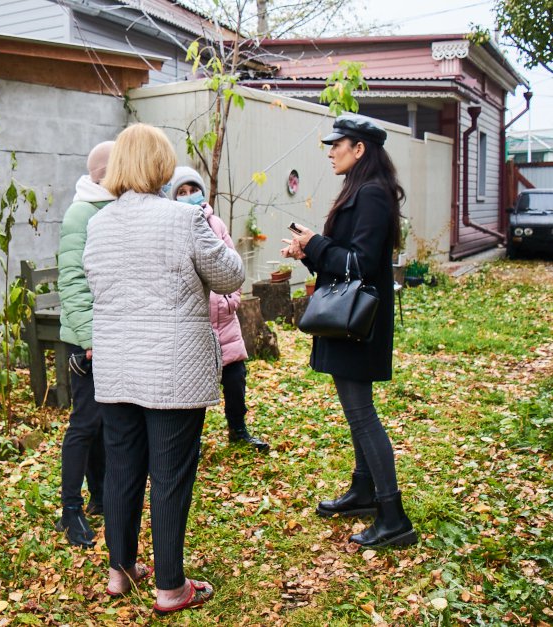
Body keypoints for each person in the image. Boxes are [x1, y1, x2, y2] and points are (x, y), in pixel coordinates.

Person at [83, 124, 245, 614]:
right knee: (171, 475)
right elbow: (230, 275)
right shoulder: (183, 219)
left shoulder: (98, 224)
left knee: (123, 469)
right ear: (160, 166)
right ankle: (171, 587)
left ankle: (121, 569)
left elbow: (95, 284)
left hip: (116, 366)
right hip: (172, 369)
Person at [282, 114, 417, 548]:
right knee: (356, 412)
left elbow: (359, 265)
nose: (330, 150)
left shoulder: (373, 195)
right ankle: (363, 491)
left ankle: (393, 517)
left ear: (359, 149)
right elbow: (342, 261)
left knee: (361, 415)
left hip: (359, 321)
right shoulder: (360, 190)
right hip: (349, 319)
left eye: (337, 144)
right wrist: (308, 251)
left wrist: (316, 243)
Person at [166, 166, 269, 453]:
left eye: (193, 190)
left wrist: (231, 300)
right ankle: (191, 441)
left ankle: (238, 430)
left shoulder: (216, 224)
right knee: (194, 388)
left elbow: (233, 263)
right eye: (182, 192)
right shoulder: (173, 228)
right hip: (195, 324)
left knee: (235, 380)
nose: (189, 196)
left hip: (224, 321)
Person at [54, 140, 115, 548]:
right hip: (86, 342)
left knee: (103, 423)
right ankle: (69, 511)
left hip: (112, 337)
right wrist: (91, 338)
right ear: (103, 174)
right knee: (85, 423)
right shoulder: (83, 212)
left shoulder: (111, 207)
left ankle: (100, 498)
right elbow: (72, 282)